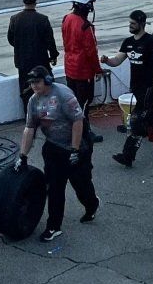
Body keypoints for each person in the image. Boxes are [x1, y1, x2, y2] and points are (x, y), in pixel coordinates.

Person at [17, 65, 99, 241]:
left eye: (37, 82)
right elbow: (29, 128)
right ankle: (54, 226)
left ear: (47, 80)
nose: (34, 86)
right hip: (53, 148)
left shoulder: (63, 94)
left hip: (77, 147)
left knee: (81, 186)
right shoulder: (33, 101)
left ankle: (92, 204)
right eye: (31, 83)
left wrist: (75, 150)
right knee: (54, 188)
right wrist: (22, 156)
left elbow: (78, 122)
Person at [105, 9, 153, 167]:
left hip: (149, 88)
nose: (130, 26)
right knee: (151, 120)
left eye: (133, 23)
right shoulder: (128, 42)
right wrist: (106, 61)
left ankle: (127, 156)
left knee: (136, 122)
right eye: (129, 23)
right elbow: (117, 60)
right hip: (136, 88)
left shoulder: (151, 41)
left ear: (142, 24)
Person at [7, 0, 58, 103]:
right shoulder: (42, 19)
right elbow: (50, 41)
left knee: (26, 93)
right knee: (47, 90)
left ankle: (28, 117)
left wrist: (22, 47)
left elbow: (11, 39)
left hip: (23, 63)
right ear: (35, 2)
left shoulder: (15, 19)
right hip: (41, 62)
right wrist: (53, 56)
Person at [62, 0, 104, 120]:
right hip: (83, 71)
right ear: (87, 5)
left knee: (73, 102)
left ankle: (74, 130)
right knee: (84, 103)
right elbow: (91, 52)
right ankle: (84, 133)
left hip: (69, 68)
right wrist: (98, 70)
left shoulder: (67, 19)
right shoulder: (86, 26)